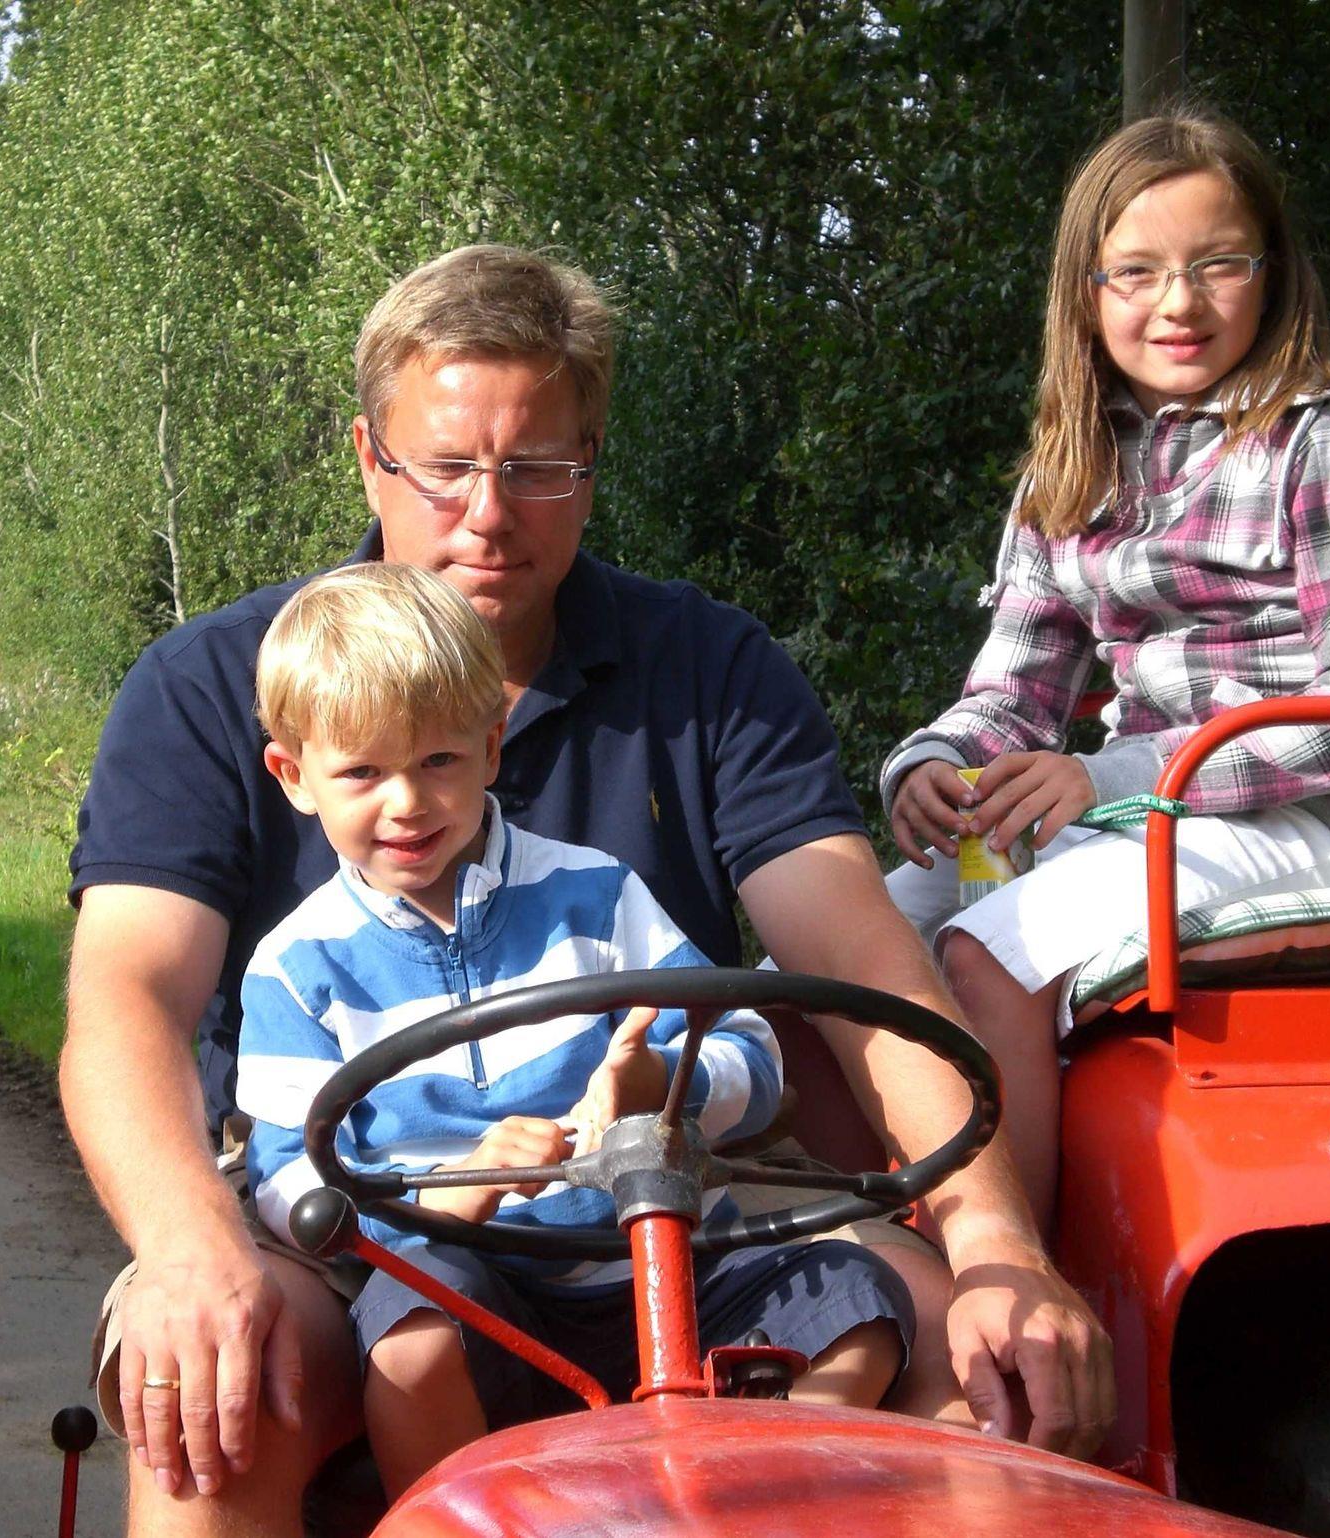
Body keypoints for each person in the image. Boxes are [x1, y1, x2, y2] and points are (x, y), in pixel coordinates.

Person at [62, 243, 1112, 1538]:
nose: (488, 514)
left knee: (984, 1358)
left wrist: (1000, 1243)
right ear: (368, 458)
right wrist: (187, 1247)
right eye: (444, 466)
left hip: (678, 1186)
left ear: (591, 465)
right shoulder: (212, 684)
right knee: (210, 1397)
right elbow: (126, 997)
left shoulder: (708, 668)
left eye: (537, 467)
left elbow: (864, 969)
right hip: (358, 1208)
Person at [238, 562, 911, 1498]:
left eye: (438, 761)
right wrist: (450, 1195)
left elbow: (749, 1050)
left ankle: (751, 1493)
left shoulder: (594, 896)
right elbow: (287, 1178)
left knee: (861, 1301)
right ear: (294, 776)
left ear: (491, 745)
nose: (407, 802)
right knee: (411, 1344)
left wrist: (662, 1089)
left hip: (662, 1258)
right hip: (481, 1291)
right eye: (362, 772)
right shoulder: (296, 967)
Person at [880, 111, 1330, 1234]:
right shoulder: (1069, 469)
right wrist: (932, 764)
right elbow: (1014, 694)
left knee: (994, 952)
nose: (1177, 302)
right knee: (864, 941)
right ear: (1086, 293)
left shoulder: (1326, 438)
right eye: (1135, 271)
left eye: (1217, 263)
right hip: (1146, 812)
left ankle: (1015, 1277)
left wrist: (1118, 776)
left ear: (1271, 276)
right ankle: (875, 1243)